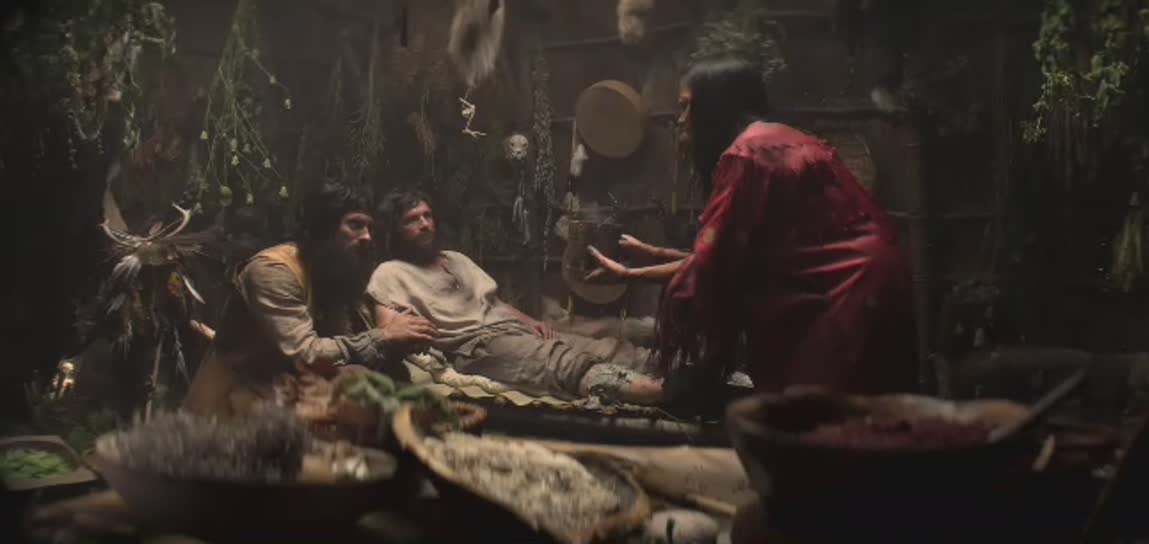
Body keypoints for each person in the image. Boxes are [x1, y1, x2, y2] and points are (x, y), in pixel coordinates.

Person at [587, 56, 919, 395]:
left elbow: (712, 265)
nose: (681, 119)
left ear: (715, 106)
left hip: (847, 290)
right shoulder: (780, 139)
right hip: (875, 278)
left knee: (818, 408)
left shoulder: (746, 155)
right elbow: (742, 256)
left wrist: (629, 274)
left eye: (687, 107)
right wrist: (654, 253)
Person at [365, 190, 663, 404]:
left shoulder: (455, 258)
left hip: (512, 327)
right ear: (396, 231)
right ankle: (649, 391)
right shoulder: (391, 272)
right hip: (477, 344)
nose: (425, 224)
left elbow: (494, 302)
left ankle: (668, 370)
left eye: (427, 216)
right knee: (559, 360)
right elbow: (388, 328)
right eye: (412, 220)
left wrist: (531, 321)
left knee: (596, 346)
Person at [185, 182, 437, 416]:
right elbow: (305, 353)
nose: (367, 237)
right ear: (323, 229)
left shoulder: (332, 270)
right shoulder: (273, 270)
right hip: (234, 402)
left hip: (292, 391)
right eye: (355, 225)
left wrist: (397, 343)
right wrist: (384, 337)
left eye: (370, 228)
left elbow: (342, 347)